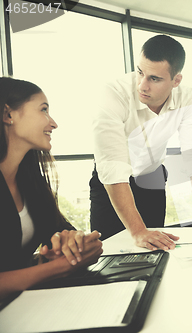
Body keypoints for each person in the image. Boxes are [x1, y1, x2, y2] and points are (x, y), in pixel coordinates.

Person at [90, 34, 192, 250]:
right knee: (108, 251)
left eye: (154, 79)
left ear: (176, 81)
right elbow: (112, 166)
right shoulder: (113, 93)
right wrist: (137, 231)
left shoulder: (187, 98)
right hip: (112, 182)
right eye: (140, 72)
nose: (142, 85)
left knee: (156, 248)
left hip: (152, 178)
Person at [0, 77, 102, 301]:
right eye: (43, 110)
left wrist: (72, 243)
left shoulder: (29, 179)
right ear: (8, 115)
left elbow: (60, 230)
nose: (53, 123)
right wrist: (58, 268)